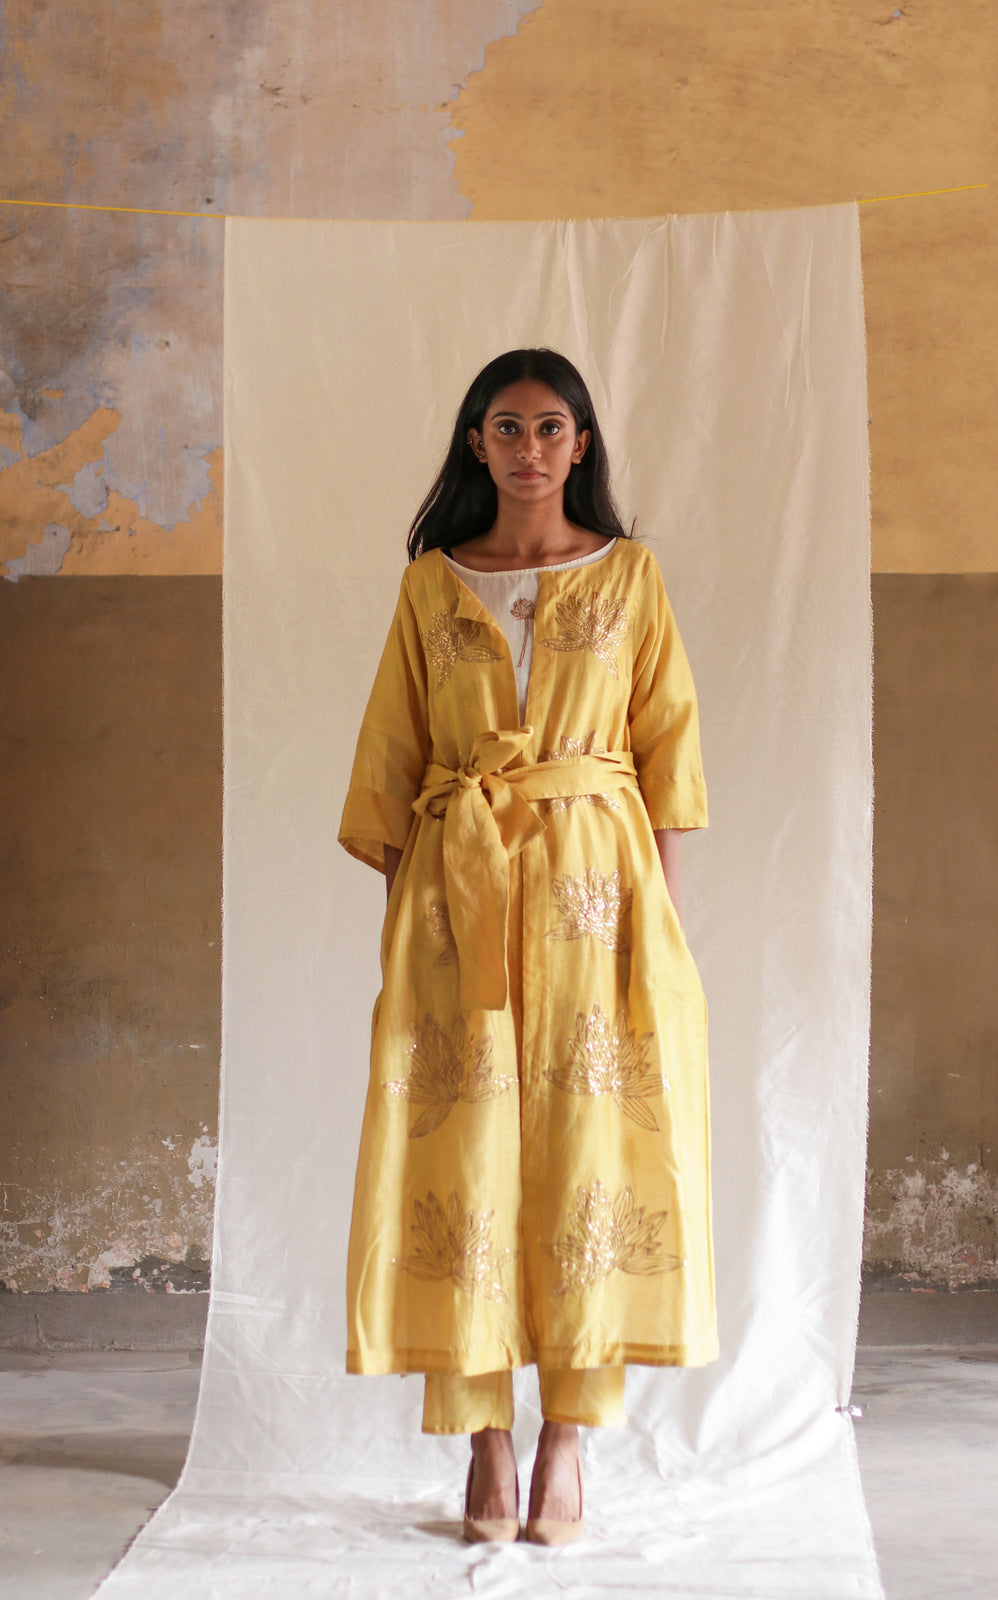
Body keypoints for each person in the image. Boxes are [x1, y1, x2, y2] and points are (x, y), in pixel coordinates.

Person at [339, 348, 716, 1544]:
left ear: (580, 444)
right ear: (475, 443)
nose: (528, 448)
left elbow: (667, 758)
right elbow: (393, 760)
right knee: (467, 1160)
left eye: (550, 427)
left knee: (588, 1155)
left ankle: (564, 1440)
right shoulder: (429, 585)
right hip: (456, 903)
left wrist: (655, 931)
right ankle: (483, 1444)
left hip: (598, 903)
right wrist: (419, 930)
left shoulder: (629, 575)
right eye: (505, 427)